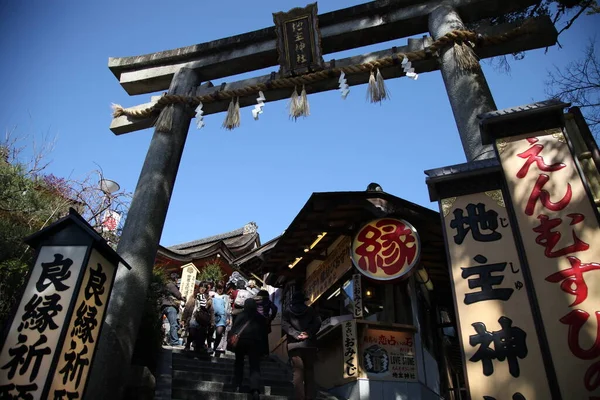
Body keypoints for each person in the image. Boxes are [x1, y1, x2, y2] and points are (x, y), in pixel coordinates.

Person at [282, 291, 322, 400]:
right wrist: (308, 333)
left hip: (294, 346)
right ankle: (310, 397)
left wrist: (296, 334)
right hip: (309, 345)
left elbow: (285, 325)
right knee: (309, 371)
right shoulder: (310, 310)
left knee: (297, 372)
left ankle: (299, 397)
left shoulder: (287, 312)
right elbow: (318, 322)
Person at [230, 298, 265, 400]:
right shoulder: (260, 317)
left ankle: (237, 384)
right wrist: (264, 350)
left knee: (239, 362)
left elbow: (234, 330)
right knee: (254, 365)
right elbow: (263, 335)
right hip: (255, 343)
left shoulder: (240, 315)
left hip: (241, 342)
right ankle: (255, 389)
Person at [161, 273, 185, 347]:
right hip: (170, 305)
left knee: (169, 324)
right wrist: (183, 298)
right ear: (175, 279)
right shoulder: (171, 285)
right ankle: (174, 341)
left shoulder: (165, 284)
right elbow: (178, 295)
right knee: (174, 324)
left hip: (163, 305)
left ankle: (166, 339)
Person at [255, 289, 278, 355]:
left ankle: (255, 352)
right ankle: (264, 353)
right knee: (264, 338)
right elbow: (275, 309)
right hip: (265, 321)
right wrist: (271, 318)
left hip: (255, 321)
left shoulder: (255, 301)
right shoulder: (268, 301)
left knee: (255, 336)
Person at [192, 282, 214, 353]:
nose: (203, 289)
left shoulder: (208, 298)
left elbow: (211, 310)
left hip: (202, 318)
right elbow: (188, 306)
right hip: (193, 316)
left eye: (205, 287)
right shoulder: (194, 296)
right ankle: (191, 344)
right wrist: (184, 318)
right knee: (192, 331)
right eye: (201, 287)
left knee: (202, 332)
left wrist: (212, 321)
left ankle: (199, 346)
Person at [212, 282, 231, 354]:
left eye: (221, 288)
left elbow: (227, 308)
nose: (220, 290)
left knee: (219, 333)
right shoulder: (213, 295)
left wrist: (228, 318)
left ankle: (215, 347)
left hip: (222, 316)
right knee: (210, 332)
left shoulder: (226, 297)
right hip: (212, 316)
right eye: (218, 288)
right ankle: (210, 346)